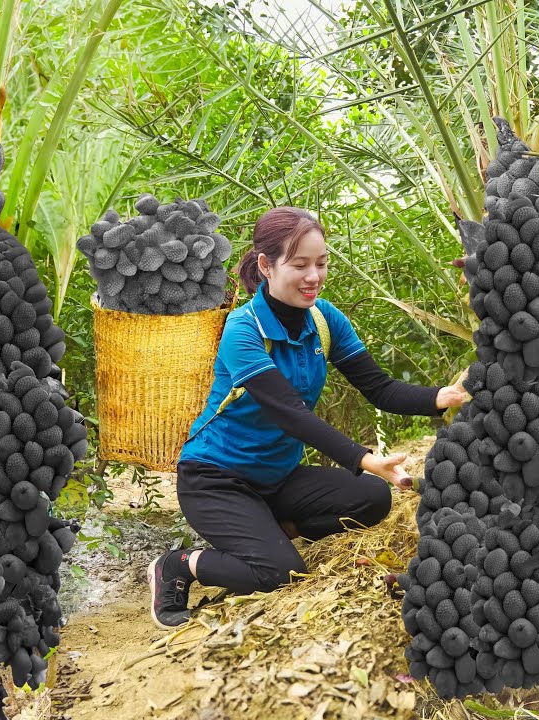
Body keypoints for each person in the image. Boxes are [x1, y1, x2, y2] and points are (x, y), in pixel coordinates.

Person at [147, 206, 470, 628]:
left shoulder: (323, 319)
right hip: (216, 478)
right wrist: (363, 457)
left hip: (276, 477)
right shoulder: (243, 330)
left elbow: (380, 388)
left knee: (372, 500)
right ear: (266, 265)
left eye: (321, 263)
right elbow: (291, 414)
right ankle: (177, 565)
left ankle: (270, 528)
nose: (313, 276)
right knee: (280, 573)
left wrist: (442, 397)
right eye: (299, 265)